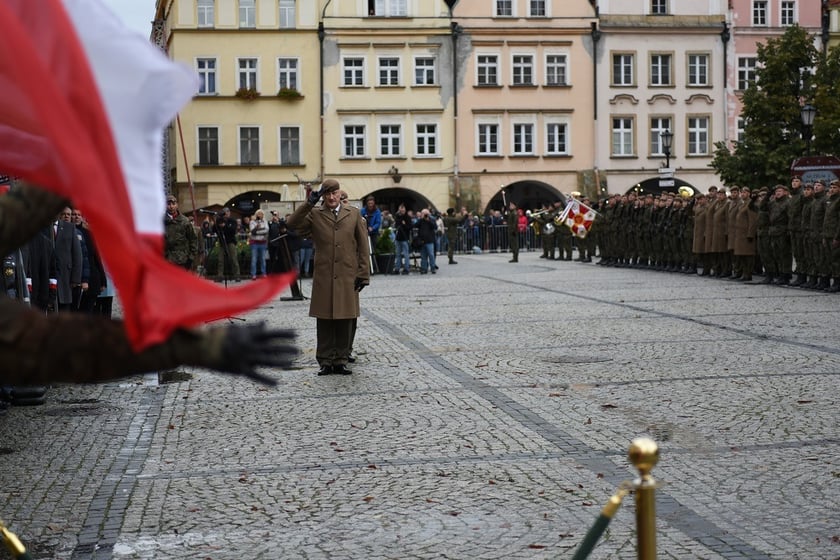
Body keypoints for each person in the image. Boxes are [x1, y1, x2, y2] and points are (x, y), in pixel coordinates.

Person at [0, 182, 298, 386]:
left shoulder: (184, 224)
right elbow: (54, 343)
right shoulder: (160, 223)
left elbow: (49, 341)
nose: (169, 205)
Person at [286, 179, 370, 376]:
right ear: (322, 196)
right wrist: (308, 203)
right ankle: (325, 361)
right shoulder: (315, 214)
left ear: (340, 193)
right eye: (327, 194)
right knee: (324, 319)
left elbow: (363, 246)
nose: (331, 197)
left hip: (347, 274)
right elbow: (291, 224)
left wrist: (363, 273)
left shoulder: (354, 214)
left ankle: (340, 359)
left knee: (345, 318)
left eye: (334, 193)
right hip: (324, 274)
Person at [71, 208, 106, 313]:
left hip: (92, 278)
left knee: (87, 312)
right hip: (75, 279)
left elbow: (96, 256)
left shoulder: (89, 234)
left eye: (79, 215)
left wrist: (103, 279)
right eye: (74, 214)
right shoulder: (66, 232)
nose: (76, 216)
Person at [54, 206, 82, 311]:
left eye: (68, 214)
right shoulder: (45, 228)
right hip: (49, 275)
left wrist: (76, 278)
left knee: (64, 309)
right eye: (63, 213)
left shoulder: (69, 228)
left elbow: (77, 254)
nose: (66, 216)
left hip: (65, 277)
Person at [164, 195, 198, 270]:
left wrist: (190, 258)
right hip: (165, 260)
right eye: (169, 204)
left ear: (177, 205)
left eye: (173, 204)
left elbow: (193, 240)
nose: (171, 206)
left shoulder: (185, 221)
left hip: (181, 261)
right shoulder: (161, 221)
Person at [215, 207, 240, 282]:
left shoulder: (232, 221)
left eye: (228, 212)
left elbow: (232, 230)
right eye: (225, 212)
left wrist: (224, 226)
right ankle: (220, 276)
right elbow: (214, 229)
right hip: (222, 242)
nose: (226, 214)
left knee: (233, 259)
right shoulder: (220, 220)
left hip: (231, 242)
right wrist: (217, 221)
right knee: (220, 260)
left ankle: (237, 275)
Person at [415, 208, 437, 274]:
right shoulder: (420, 220)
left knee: (431, 255)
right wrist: (421, 218)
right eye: (423, 214)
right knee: (423, 256)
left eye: (426, 214)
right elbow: (415, 225)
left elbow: (434, 227)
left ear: (429, 214)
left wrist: (428, 220)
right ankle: (424, 268)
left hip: (430, 240)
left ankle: (433, 268)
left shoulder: (432, 219)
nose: (425, 215)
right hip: (422, 241)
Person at [249, 209, 269, 279]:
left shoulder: (265, 221)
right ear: (256, 214)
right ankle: (253, 274)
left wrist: (257, 231)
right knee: (254, 259)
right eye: (258, 214)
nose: (259, 215)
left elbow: (266, 230)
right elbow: (252, 231)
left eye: (261, 214)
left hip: (262, 243)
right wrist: (258, 229)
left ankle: (263, 273)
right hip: (254, 243)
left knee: (263, 259)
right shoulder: (252, 222)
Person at [393, 204, 412, 274]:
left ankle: (406, 268)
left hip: (405, 237)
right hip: (398, 237)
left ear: (405, 210)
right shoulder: (398, 217)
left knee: (406, 254)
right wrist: (398, 216)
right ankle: (397, 268)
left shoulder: (408, 217)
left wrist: (404, 224)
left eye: (402, 210)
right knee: (398, 254)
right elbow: (396, 225)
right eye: (400, 210)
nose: (401, 211)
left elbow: (410, 227)